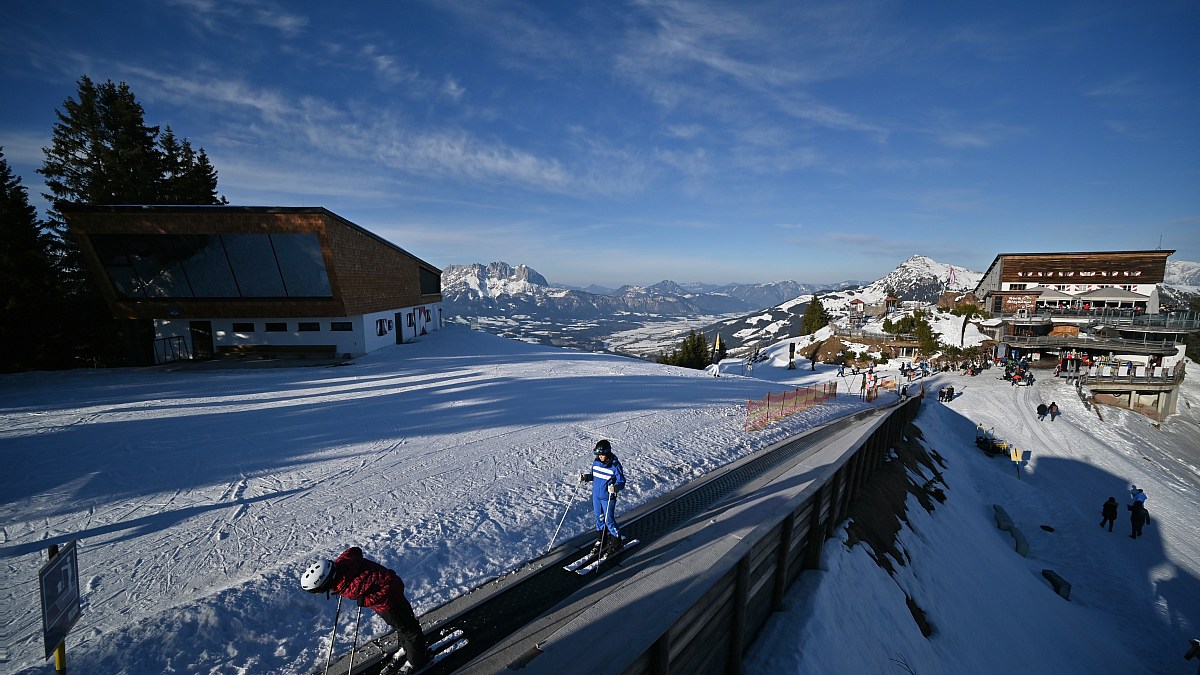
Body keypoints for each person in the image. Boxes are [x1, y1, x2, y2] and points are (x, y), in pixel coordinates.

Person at [301, 547, 428, 671]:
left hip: (389, 604)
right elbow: (354, 550)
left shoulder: (352, 588)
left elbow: (389, 583)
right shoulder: (344, 561)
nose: (318, 594)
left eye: (318, 591)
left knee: (410, 630)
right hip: (389, 598)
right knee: (401, 627)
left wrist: (367, 600)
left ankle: (415, 661)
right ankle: (405, 649)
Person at [580, 439, 627, 556]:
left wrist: (615, 488)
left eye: (602, 455)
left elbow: (622, 481)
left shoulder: (615, 465)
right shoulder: (595, 463)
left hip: (608, 497)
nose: (600, 457)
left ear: (608, 453)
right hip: (596, 496)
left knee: (609, 520)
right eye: (598, 455)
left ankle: (617, 543)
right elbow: (594, 476)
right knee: (599, 518)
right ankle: (602, 539)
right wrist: (586, 477)